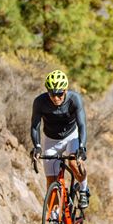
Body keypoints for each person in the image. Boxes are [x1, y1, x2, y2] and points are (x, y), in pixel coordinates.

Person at [30, 70, 90, 216]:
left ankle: (83, 189)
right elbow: (34, 126)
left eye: (59, 94)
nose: (56, 98)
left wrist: (81, 147)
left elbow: (82, 125)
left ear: (65, 90)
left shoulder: (74, 99)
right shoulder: (40, 102)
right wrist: (37, 146)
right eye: (52, 94)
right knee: (51, 180)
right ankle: (55, 216)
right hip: (51, 140)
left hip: (71, 137)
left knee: (73, 163)